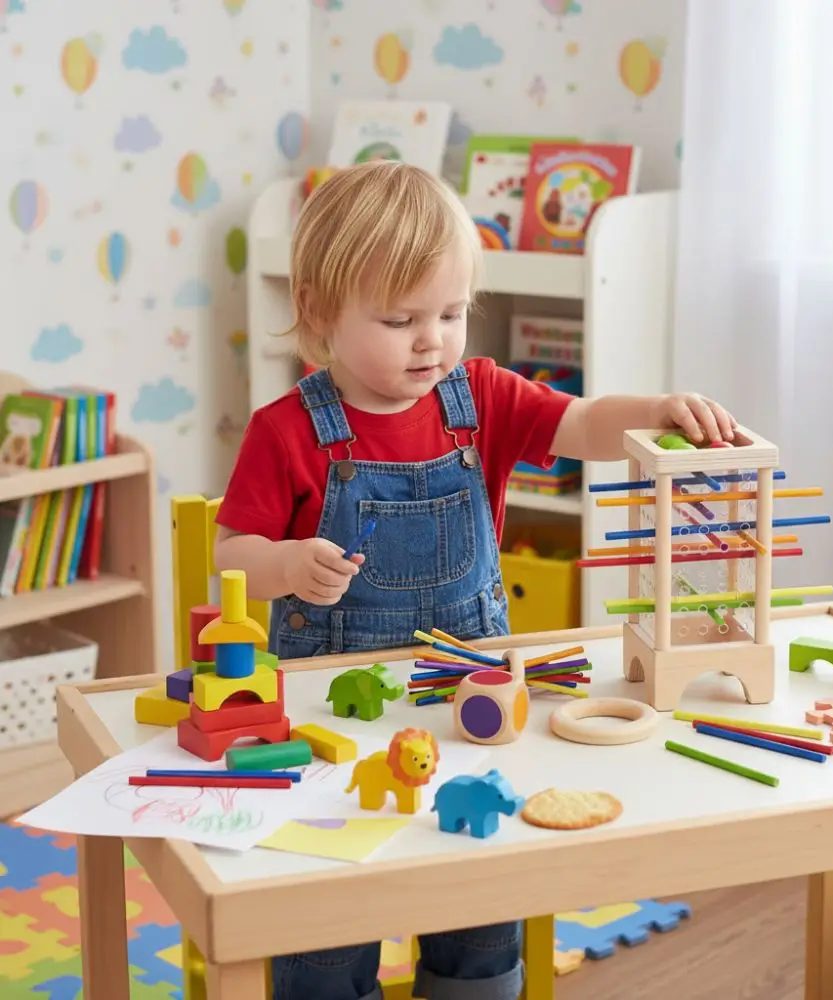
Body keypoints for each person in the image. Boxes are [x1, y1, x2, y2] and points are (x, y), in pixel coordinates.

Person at [214, 160, 736, 1000]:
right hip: (326, 717)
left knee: (477, 895)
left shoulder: (480, 397)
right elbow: (232, 550)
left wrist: (656, 409)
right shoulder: (287, 430)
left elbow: (579, 422)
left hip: (468, 707)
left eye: (453, 313)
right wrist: (282, 564)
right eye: (400, 318)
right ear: (316, 312)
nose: (433, 339)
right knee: (322, 915)